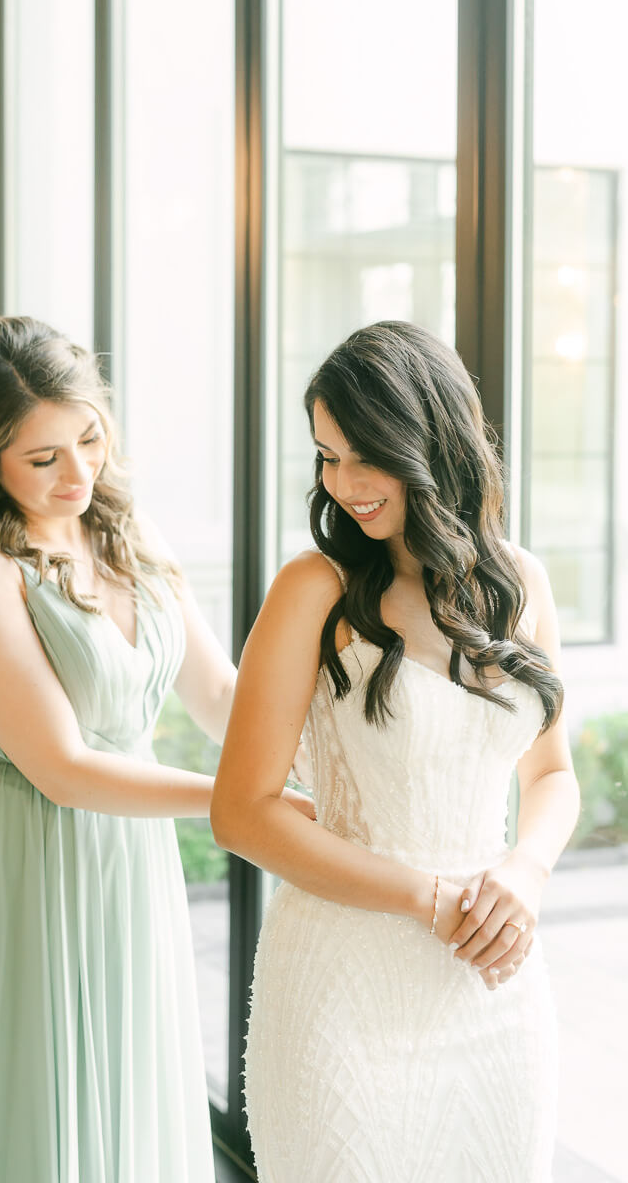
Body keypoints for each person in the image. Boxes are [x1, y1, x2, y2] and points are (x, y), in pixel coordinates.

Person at [0, 315, 311, 1183]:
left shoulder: (133, 537)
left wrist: (324, 767)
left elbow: (220, 695)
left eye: (89, 439)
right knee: (17, 1091)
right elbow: (61, 769)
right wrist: (240, 803)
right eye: (43, 458)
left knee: (123, 1072)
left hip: (129, 848)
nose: (78, 474)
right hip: (12, 849)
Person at [211, 321, 580, 1182]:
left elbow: (553, 773)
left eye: (362, 455)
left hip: (492, 983)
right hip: (343, 988)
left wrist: (524, 873)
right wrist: (428, 896)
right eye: (326, 457)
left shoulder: (522, 583)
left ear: (427, 439)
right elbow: (241, 811)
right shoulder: (316, 589)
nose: (343, 485)